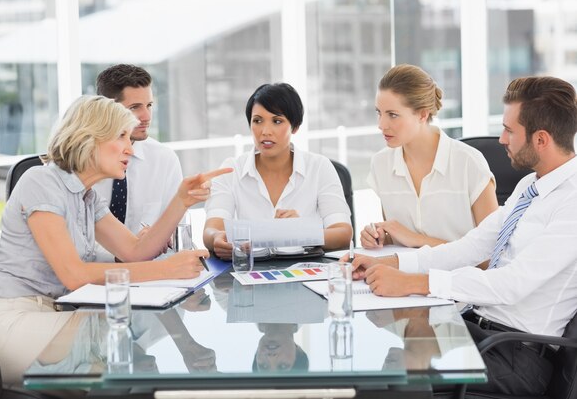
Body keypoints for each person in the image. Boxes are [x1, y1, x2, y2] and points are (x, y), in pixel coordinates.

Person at [0, 95, 231, 384]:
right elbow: (75, 276)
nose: (131, 149)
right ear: (89, 137)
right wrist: (168, 268)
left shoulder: (87, 197)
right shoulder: (39, 181)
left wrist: (181, 200)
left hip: (56, 317)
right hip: (7, 324)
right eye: (122, 137)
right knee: (130, 360)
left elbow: (135, 251)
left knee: (134, 351)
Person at [347, 76, 577, 396]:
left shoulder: (572, 203)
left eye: (510, 130)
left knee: (392, 379)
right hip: (479, 331)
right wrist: (392, 262)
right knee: (371, 350)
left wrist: (416, 282)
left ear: (540, 139)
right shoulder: (530, 188)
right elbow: (469, 247)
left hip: (517, 357)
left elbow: (511, 285)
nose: (501, 139)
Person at [203, 83, 353, 258]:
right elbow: (211, 229)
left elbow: (343, 233)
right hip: (249, 274)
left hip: (306, 272)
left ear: (295, 127)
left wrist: (301, 230)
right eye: (257, 121)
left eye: (277, 121)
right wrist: (217, 238)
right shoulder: (231, 169)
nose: (265, 131)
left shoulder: (319, 167)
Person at [360, 64, 498, 250]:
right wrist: (380, 237)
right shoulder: (381, 163)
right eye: (379, 113)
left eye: (393, 115)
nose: (381, 125)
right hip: (404, 276)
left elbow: (493, 253)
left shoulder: (468, 163)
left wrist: (416, 239)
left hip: (461, 277)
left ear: (423, 114)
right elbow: (398, 239)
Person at [94, 64, 182, 254]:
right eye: (134, 108)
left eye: (149, 105)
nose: (147, 116)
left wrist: (158, 238)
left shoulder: (164, 159)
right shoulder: (82, 167)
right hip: (92, 272)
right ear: (107, 110)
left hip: (147, 270)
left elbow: (176, 233)